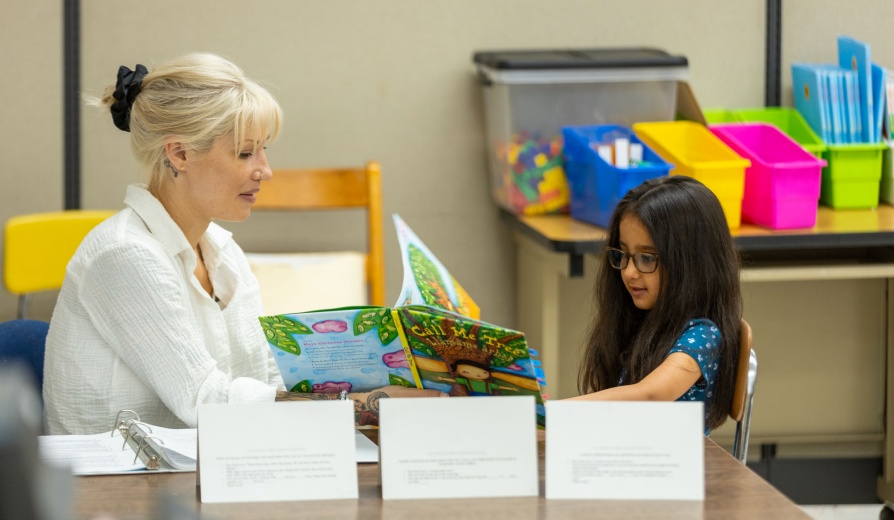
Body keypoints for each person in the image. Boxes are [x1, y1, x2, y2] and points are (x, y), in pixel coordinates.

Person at [43, 53, 443, 435]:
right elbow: (205, 400)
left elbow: (264, 376)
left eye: (263, 150)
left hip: (205, 462)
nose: (265, 171)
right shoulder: (125, 255)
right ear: (179, 153)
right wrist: (364, 405)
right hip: (115, 488)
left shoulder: (221, 249)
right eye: (245, 153)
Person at [572, 175, 742, 434]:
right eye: (624, 255)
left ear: (692, 263)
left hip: (671, 467)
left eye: (647, 258)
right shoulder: (640, 316)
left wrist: (554, 413)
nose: (629, 272)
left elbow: (651, 395)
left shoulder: (704, 335)